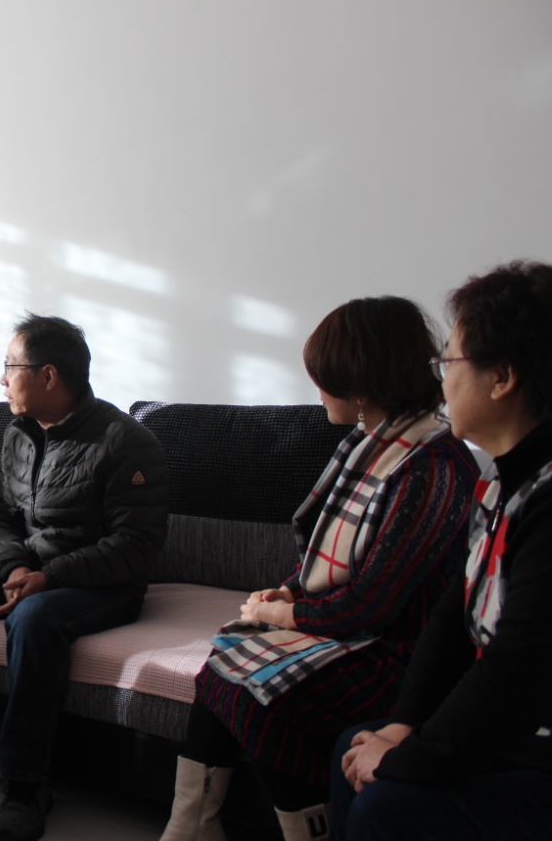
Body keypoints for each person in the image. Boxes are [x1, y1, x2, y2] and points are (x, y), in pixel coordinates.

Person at [160, 297, 477, 841]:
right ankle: (189, 828)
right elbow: (322, 556)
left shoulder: (432, 465)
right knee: (223, 662)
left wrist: (283, 615)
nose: (318, 390)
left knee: (256, 693)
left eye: (325, 377)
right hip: (357, 630)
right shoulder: (367, 446)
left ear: (362, 380)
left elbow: (373, 602)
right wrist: (286, 591)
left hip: (398, 650)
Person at [0, 313, 169, 841]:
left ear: (48, 375)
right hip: (31, 569)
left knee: (32, 619)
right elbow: (2, 519)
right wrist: (14, 567)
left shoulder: (126, 440)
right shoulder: (19, 433)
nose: (2, 379)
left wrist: (48, 577)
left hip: (101, 583)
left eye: (10, 367)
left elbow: (136, 547)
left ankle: (26, 785)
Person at [331, 261, 552, 840]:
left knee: (387, 804)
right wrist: (403, 726)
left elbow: (518, 670)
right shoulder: (500, 482)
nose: (442, 381)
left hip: (537, 749)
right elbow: (455, 617)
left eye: (449, 362)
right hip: (511, 736)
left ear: (502, 378)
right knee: (355, 746)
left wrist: (411, 756)